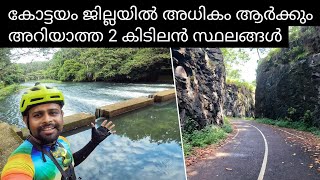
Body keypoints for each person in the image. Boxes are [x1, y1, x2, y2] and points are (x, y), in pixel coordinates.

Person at [1, 83, 116, 180]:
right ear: (26, 121)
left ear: (62, 115)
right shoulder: (22, 160)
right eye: (37, 115)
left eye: (53, 112)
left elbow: (69, 163)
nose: (47, 120)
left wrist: (93, 143)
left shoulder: (62, 141)